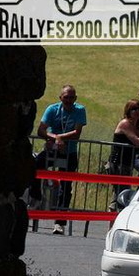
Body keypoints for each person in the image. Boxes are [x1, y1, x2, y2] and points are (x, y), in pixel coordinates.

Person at [29, 84, 87, 235]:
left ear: (75, 98)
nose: (68, 100)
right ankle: (36, 197)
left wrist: (61, 138)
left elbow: (77, 132)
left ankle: (59, 222)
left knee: (66, 187)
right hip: (51, 149)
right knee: (35, 166)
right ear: (60, 97)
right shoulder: (52, 109)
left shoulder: (80, 110)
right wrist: (55, 138)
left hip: (69, 152)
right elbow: (41, 129)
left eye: (71, 97)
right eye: (66, 97)